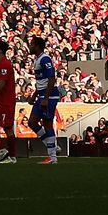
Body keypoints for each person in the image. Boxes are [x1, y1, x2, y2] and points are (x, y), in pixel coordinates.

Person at [29, 35, 62, 165]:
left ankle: (52, 157)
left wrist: (46, 98)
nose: (30, 46)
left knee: (47, 123)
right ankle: (52, 146)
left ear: (37, 46)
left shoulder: (45, 59)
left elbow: (51, 79)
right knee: (32, 122)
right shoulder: (37, 60)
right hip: (42, 95)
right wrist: (34, 95)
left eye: (32, 44)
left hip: (49, 96)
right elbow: (41, 81)